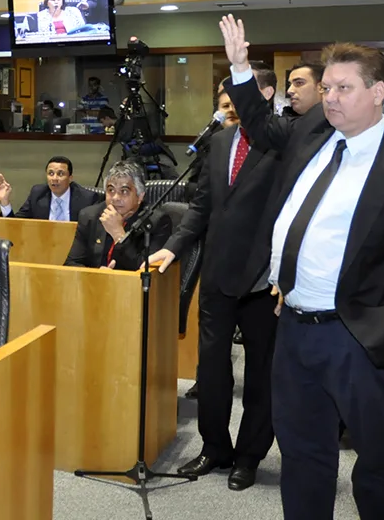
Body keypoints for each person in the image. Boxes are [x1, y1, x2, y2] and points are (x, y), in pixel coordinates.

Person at [218, 15, 384, 520]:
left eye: (343, 88)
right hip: (293, 327)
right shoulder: (312, 131)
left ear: (377, 92)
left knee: (378, 460)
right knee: (303, 453)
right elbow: (264, 127)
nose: (330, 98)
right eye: (326, 86)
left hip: (357, 334)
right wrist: (240, 68)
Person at [150, 73, 282, 492]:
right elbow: (202, 205)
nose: (229, 109)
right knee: (210, 367)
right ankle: (215, 448)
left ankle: (249, 456)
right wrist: (174, 246)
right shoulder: (220, 143)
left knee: (261, 372)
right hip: (219, 274)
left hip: (264, 279)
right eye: (224, 103)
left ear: (266, 95)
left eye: (235, 101)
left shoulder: (284, 142)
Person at [63, 160, 172, 270]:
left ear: (140, 197)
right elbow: (71, 264)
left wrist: (119, 234)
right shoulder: (90, 216)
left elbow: (145, 271)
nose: (115, 198)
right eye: (111, 190)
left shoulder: (156, 222)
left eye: (124, 191)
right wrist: (97, 275)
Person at [0, 156, 102, 221]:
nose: (54, 178)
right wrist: (5, 202)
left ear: (70, 178)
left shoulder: (87, 199)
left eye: (60, 174)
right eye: (51, 173)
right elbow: (16, 225)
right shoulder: (38, 194)